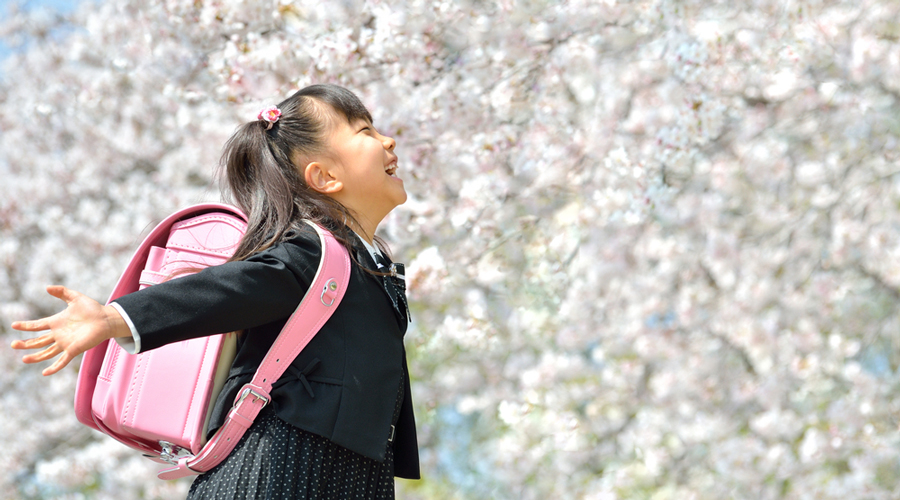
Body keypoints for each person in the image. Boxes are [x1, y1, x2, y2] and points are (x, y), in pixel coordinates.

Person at [9, 84, 419, 499]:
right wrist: (115, 317)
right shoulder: (312, 251)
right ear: (324, 177)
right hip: (282, 467)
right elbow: (233, 289)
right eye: (365, 131)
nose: (388, 140)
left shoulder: (366, 264)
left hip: (351, 473)